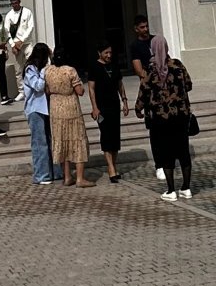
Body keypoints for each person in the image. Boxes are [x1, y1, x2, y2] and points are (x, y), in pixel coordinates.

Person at [134, 35, 194, 200]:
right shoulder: (178, 65)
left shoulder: (151, 70)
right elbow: (189, 85)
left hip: (161, 118)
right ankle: (186, 188)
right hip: (181, 115)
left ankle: (171, 190)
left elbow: (143, 93)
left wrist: (138, 109)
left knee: (166, 152)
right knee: (183, 150)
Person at [43, 50, 92, 188]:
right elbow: (80, 91)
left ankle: (67, 176)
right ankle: (80, 178)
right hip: (71, 107)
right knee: (78, 139)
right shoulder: (70, 70)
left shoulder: (48, 71)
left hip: (56, 109)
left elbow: (47, 90)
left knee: (62, 140)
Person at [127, 15, 165, 181]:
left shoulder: (155, 41)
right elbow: (138, 69)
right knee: (155, 131)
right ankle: (159, 164)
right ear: (136, 29)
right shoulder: (135, 46)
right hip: (150, 93)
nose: (146, 29)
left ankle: (169, 159)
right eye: (142, 27)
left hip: (164, 92)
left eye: (146, 26)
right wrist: (150, 78)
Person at [87, 39, 129, 183]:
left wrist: (124, 100)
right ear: (100, 53)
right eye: (106, 53)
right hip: (102, 106)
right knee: (106, 134)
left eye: (110, 52)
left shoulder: (114, 65)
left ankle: (114, 165)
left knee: (115, 136)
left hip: (114, 104)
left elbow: (120, 84)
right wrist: (94, 107)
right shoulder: (94, 67)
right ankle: (110, 167)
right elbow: (91, 88)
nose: (109, 55)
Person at [20, 42, 62, 184]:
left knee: (51, 140)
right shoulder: (30, 69)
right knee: (40, 143)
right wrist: (45, 72)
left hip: (46, 108)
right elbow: (38, 86)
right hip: (35, 109)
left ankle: (55, 171)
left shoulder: (42, 69)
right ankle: (41, 175)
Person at [0, 0, 35, 105]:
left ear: (19, 1)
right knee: (18, 69)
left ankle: (32, 89)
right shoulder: (9, 15)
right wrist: (12, 45)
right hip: (16, 46)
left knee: (31, 66)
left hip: (27, 43)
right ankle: (22, 91)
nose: (14, 5)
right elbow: (7, 31)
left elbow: (30, 27)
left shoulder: (27, 12)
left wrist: (22, 41)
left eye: (16, 3)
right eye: (12, 3)